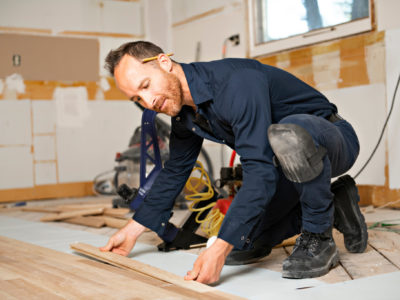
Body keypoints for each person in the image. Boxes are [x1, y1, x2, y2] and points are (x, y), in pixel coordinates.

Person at [100, 41, 367, 284]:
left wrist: (219, 247)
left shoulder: (236, 83)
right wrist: (134, 229)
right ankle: (337, 203)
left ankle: (318, 235)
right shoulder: (184, 114)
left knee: (289, 133)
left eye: (145, 86)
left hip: (332, 140)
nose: (148, 103)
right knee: (248, 238)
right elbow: (175, 171)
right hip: (283, 164)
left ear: (164, 62)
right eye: (137, 99)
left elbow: (259, 170)